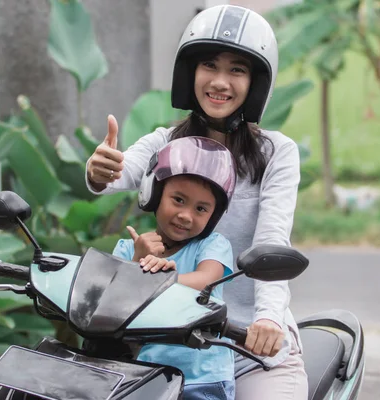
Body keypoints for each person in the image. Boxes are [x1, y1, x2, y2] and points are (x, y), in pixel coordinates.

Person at [86, 5, 308, 400]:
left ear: (255, 83)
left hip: (247, 342)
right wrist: (99, 170)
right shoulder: (163, 142)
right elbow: (120, 173)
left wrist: (269, 319)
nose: (221, 82)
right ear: (191, 72)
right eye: (209, 65)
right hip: (166, 342)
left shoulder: (276, 153)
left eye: (237, 69)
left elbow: (273, 241)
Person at [111, 136, 238, 400]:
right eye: (178, 200)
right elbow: (113, 300)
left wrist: (165, 276)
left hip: (203, 378)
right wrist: (138, 263)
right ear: (154, 195)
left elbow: (207, 279)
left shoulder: (213, 245)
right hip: (144, 376)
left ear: (213, 217)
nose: (186, 215)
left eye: (201, 208)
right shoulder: (128, 249)